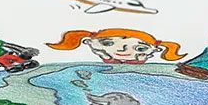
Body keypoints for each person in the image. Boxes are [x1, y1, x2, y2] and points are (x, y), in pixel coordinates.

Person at [47, 28, 185, 64]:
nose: (121, 49)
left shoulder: (141, 58)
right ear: (88, 42)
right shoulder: (103, 54)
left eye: (140, 48)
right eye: (108, 43)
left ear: (156, 50)